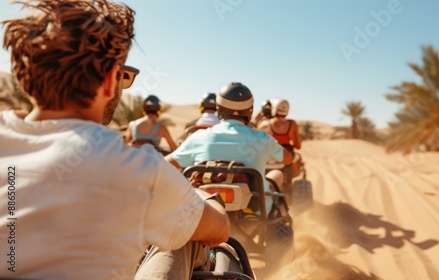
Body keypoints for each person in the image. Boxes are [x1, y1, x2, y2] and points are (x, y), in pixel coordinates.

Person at [0, 1, 229, 279]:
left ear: (26, 78)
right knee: (181, 235)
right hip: (176, 197)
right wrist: (206, 197)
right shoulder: (135, 169)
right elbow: (219, 230)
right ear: (110, 81)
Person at [166, 82, 293, 212]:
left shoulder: (199, 137)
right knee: (276, 174)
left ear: (219, 108)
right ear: (249, 110)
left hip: (204, 213)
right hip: (255, 210)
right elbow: (288, 159)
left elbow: (165, 164)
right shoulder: (262, 138)